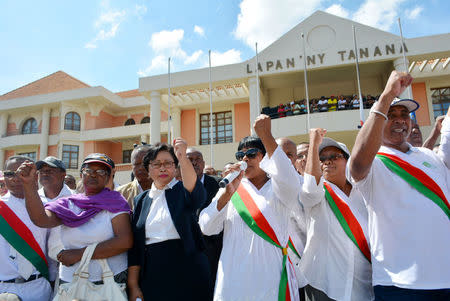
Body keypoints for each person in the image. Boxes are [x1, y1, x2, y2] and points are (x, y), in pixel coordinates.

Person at [349, 70, 450, 300]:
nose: (398, 119)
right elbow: (357, 162)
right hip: (399, 284)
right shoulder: (373, 162)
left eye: (404, 114)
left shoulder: (429, 157)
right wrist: (386, 96)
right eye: (390, 114)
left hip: (445, 279)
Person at [200, 115, 301, 301]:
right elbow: (206, 227)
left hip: (271, 278)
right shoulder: (230, 188)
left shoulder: (280, 186)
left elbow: (290, 180)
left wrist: (266, 135)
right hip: (234, 281)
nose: (245, 158)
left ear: (266, 158)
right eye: (240, 155)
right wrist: (226, 196)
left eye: (252, 153)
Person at [18, 153, 132, 288]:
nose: (93, 175)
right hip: (72, 280)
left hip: (110, 279)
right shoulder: (68, 203)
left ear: (108, 177)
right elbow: (41, 220)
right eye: (88, 170)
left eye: (101, 171)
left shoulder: (115, 202)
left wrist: (79, 255)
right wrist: (29, 185)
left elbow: (124, 241)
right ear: (81, 174)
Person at [128, 140, 212, 301]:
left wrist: (183, 158)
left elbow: (198, 196)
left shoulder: (183, 191)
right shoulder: (141, 200)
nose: (163, 168)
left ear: (175, 167)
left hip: (189, 271)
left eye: (168, 163)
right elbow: (136, 247)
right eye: (156, 164)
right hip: (153, 274)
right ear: (148, 168)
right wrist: (133, 284)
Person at [300, 131, 373, 301]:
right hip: (323, 285)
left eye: (334, 156)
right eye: (322, 158)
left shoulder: (364, 192)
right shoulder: (318, 192)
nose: (327, 161)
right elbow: (310, 189)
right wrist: (313, 143)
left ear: (347, 161)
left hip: (363, 286)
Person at [0, 156, 52, 301]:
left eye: (21, 172)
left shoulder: (48, 207)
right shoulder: (0, 207)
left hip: (39, 286)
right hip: (4, 289)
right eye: (9, 174)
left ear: (34, 175)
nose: (15, 179)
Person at [276, 138, 308, 299]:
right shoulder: (260, 186)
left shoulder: (307, 186)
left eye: (290, 155)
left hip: (304, 263)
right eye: (281, 154)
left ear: (295, 159)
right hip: (274, 264)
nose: (286, 159)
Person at [35, 156, 75, 284]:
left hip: (66, 269)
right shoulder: (32, 200)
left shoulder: (75, 199)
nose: (45, 173)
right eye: (41, 171)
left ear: (63, 174)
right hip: (35, 272)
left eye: (50, 170)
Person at [187, 148, 222, 287]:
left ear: (203, 163)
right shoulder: (175, 186)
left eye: (198, 159)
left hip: (213, 251)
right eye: (190, 160)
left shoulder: (219, 185)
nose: (194, 163)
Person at [117, 145, 153, 210]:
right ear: (132, 166)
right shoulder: (120, 194)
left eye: (145, 163)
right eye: (136, 164)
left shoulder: (165, 190)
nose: (141, 168)